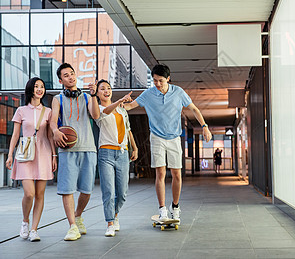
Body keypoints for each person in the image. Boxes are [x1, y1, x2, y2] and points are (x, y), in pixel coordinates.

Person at [124, 64, 212, 224]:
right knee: (160, 174)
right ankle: (162, 209)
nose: (157, 84)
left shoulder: (178, 92)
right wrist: (123, 103)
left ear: (168, 79)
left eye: (161, 81)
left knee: (177, 174)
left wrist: (204, 127)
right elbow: (130, 106)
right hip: (156, 138)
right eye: (155, 81)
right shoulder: (148, 94)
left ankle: (175, 207)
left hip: (174, 138)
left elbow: (194, 109)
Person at [49, 63, 100, 241]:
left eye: (72, 74)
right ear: (60, 80)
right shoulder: (58, 99)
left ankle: (78, 216)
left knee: (86, 190)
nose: (70, 77)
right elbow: (53, 121)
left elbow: (95, 115)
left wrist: (94, 96)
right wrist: (55, 131)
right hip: (67, 149)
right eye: (66, 75)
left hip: (88, 148)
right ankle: (72, 226)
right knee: (67, 190)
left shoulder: (87, 97)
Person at [6, 77, 57, 242]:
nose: (40, 89)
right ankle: (25, 221)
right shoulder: (21, 110)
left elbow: (49, 135)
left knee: (40, 194)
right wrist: (9, 155)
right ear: (30, 89)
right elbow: (15, 135)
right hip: (26, 153)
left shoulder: (48, 111)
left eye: (42, 87)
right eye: (36, 86)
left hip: (43, 153)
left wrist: (54, 156)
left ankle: (34, 229)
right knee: (29, 193)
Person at [94, 79, 138, 237]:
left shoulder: (122, 110)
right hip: (106, 153)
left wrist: (135, 147)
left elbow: (128, 130)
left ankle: (116, 214)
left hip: (123, 153)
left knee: (123, 192)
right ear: (97, 93)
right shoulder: (98, 108)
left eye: (108, 88)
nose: (106, 91)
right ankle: (110, 223)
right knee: (108, 191)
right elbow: (105, 113)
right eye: (102, 89)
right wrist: (119, 101)